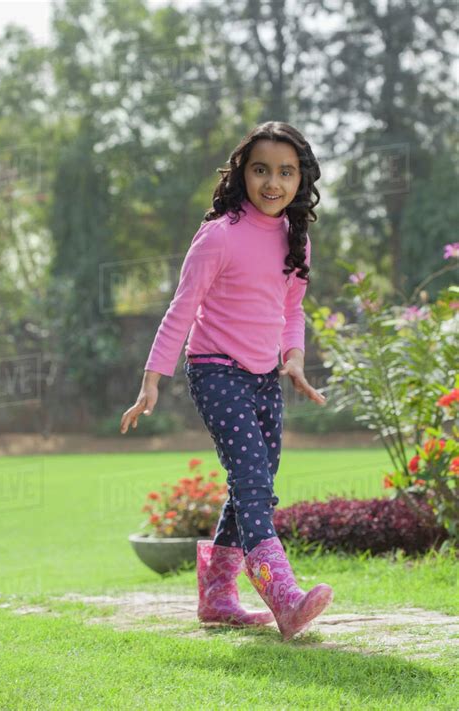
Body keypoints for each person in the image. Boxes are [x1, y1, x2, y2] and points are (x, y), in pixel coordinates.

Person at [120, 120, 334, 640]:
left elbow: (291, 310)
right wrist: (152, 380)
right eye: (261, 169)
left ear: (300, 179)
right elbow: (181, 309)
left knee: (251, 484)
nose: (272, 183)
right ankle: (282, 594)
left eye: (286, 172)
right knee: (254, 481)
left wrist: (295, 360)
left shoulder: (295, 240)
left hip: (265, 375)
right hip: (215, 370)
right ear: (243, 173)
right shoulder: (219, 235)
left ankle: (217, 597)